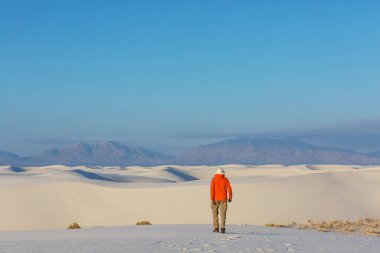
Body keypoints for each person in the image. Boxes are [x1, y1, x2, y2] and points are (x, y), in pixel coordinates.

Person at [210, 167, 233, 233]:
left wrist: (212, 199)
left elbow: (212, 190)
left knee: (215, 214)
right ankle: (223, 228)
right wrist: (230, 197)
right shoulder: (225, 179)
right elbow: (229, 189)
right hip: (223, 199)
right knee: (223, 214)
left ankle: (216, 228)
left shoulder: (214, 179)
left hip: (215, 199)